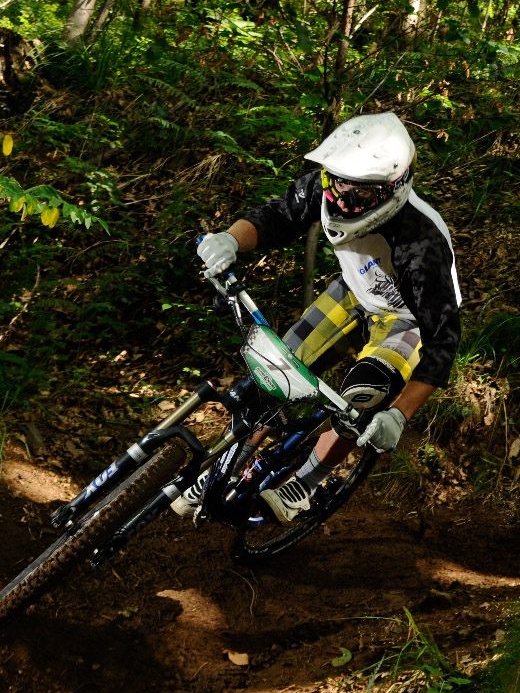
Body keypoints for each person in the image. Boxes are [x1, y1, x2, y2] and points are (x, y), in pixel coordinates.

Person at [173, 112, 462, 524]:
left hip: (406, 319)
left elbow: (442, 339)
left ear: (392, 189)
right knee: (274, 374)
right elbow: (278, 216)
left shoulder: (422, 243)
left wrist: (400, 414)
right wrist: (229, 240)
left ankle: (307, 482)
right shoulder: (327, 186)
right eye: (337, 182)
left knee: (362, 396)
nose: (342, 199)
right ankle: (223, 465)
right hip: (353, 292)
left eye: (359, 192)